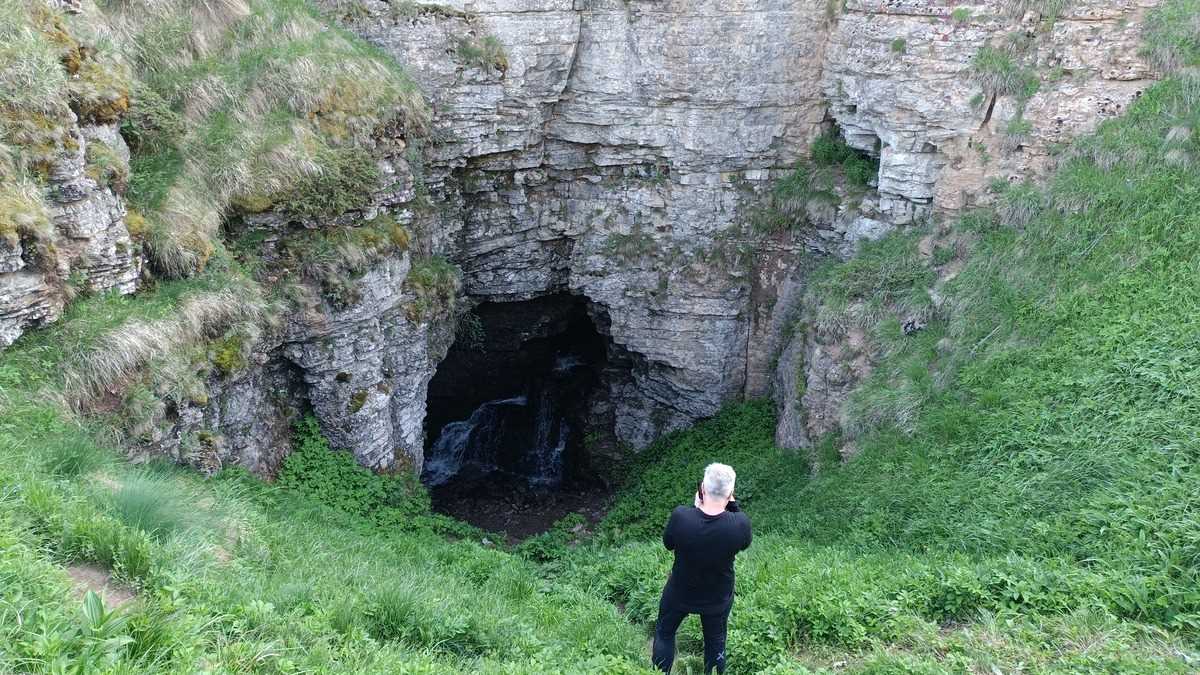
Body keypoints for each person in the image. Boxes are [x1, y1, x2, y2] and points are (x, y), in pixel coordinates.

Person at [652, 462, 752, 674]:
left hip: (680, 591)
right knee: (716, 642)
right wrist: (731, 504)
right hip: (717, 596)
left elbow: (668, 543)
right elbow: (744, 540)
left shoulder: (681, 516)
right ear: (730, 493)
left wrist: (697, 508)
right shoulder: (740, 524)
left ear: (702, 489)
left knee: (664, 633)